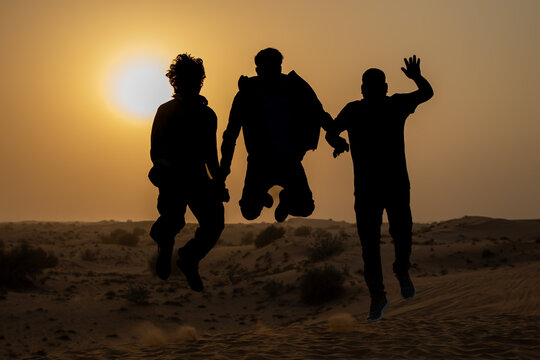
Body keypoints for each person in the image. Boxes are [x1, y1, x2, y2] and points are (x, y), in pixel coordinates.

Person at [327, 55, 434, 321]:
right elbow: (331, 132)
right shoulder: (358, 109)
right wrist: (337, 142)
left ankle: (398, 273)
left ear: (380, 89)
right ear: (366, 89)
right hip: (369, 189)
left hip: (392, 185)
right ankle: (380, 295)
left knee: (396, 236)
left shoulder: (394, 104)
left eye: (375, 87)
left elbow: (331, 132)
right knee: (374, 244)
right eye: (370, 87)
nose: (373, 91)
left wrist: (337, 141)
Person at [218, 48, 348, 222]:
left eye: (275, 67)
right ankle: (262, 197)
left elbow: (318, 113)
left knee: (306, 207)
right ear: (258, 70)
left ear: (280, 67)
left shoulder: (295, 87)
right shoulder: (247, 94)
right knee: (249, 212)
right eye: (267, 68)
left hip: (289, 160)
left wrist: (334, 138)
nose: (272, 72)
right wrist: (223, 172)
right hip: (260, 162)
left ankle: (285, 200)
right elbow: (230, 135)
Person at [148, 53, 228, 292]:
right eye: (184, 80)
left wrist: (218, 183)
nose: (191, 85)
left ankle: (188, 259)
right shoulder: (166, 111)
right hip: (172, 179)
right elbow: (156, 150)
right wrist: (164, 168)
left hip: (198, 178)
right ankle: (164, 243)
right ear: (176, 82)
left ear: (200, 82)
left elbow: (211, 154)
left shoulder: (207, 115)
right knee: (173, 221)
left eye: (194, 81)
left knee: (214, 224)